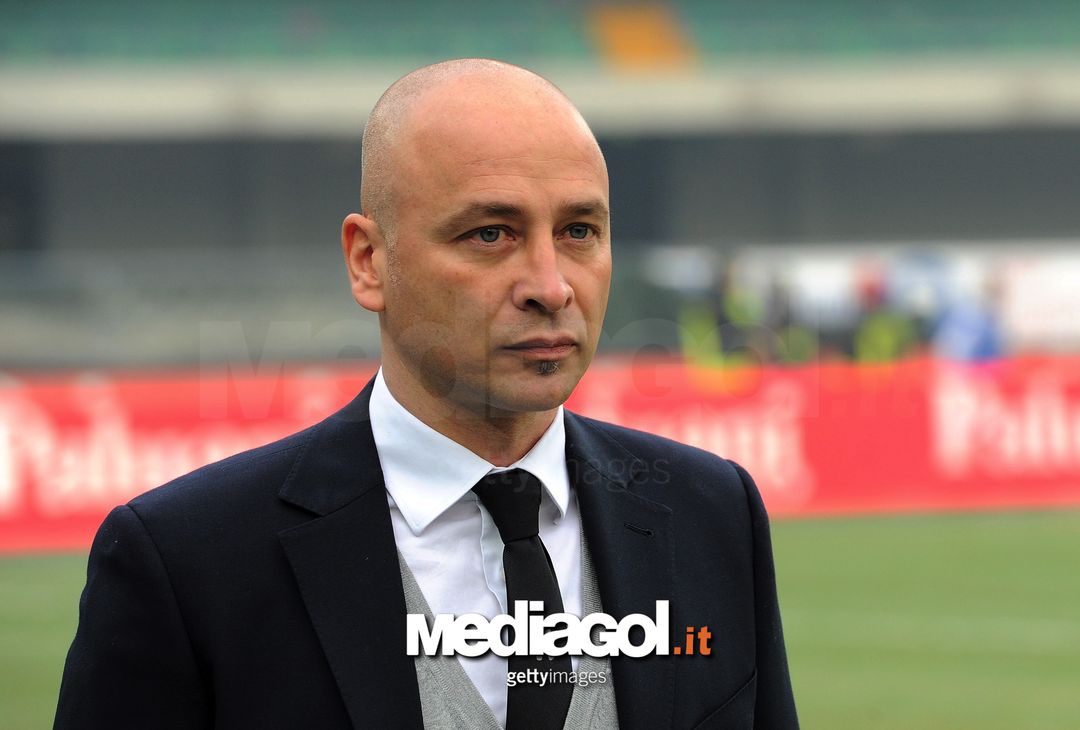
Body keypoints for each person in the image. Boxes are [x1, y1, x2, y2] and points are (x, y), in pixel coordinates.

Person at [55, 59, 798, 729]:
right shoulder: (187, 560)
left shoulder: (714, 513)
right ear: (369, 260)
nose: (550, 286)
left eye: (579, 230)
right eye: (490, 235)